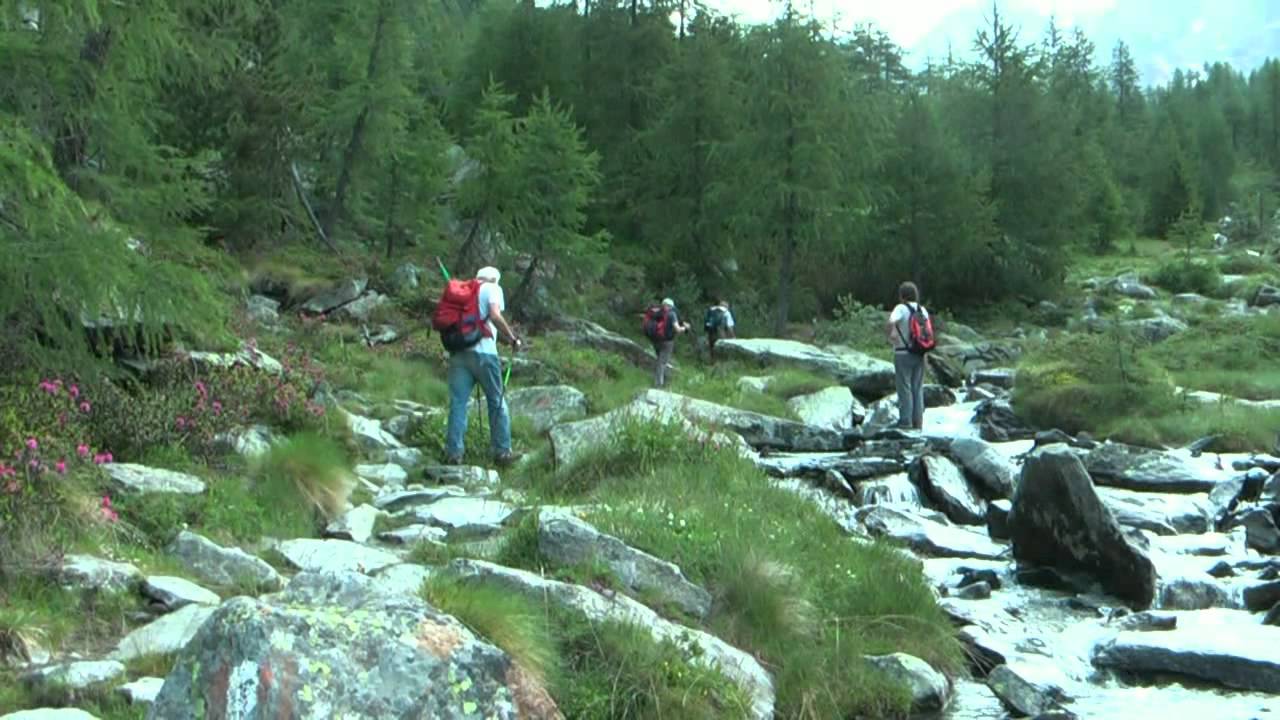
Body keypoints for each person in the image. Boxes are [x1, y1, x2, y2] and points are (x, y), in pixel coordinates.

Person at [444, 266, 524, 466]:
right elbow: (495, 316)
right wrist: (513, 338)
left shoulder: (463, 291)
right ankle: (502, 452)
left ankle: (454, 453)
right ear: (495, 279)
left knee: (458, 403)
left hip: (459, 353)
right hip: (485, 355)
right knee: (496, 401)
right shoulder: (492, 288)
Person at [887, 281, 929, 431]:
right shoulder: (922, 310)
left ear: (901, 295)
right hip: (919, 353)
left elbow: (892, 319)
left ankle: (905, 421)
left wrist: (892, 331)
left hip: (902, 353)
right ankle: (918, 422)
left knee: (904, 387)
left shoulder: (900, 308)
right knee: (917, 388)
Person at [649, 298, 690, 388]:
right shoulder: (672, 314)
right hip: (667, 342)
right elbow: (677, 329)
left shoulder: (657, 313)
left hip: (656, 340)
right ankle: (658, 384)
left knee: (660, 360)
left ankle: (663, 379)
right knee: (662, 362)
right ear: (671, 306)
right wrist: (685, 328)